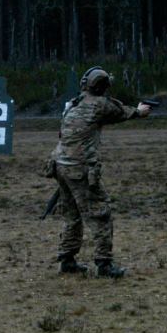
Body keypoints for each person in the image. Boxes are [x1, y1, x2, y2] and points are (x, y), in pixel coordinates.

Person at [49, 67, 151, 277]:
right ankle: (104, 264)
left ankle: (67, 260)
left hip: (60, 164)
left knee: (73, 215)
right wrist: (140, 111)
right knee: (101, 214)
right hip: (79, 168)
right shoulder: (100, 105)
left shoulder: (73, 104)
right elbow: (124, 112)